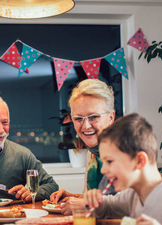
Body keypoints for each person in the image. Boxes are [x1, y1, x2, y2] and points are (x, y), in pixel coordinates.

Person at [49, 79, 116, 214]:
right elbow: (101, 199)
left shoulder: (125, 152)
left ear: (111, 117)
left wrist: (85, 205)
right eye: (78, 118)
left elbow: (132, 204)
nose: (85, 126)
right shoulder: (92, 153)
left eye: (93, 117)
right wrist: (74, 197)